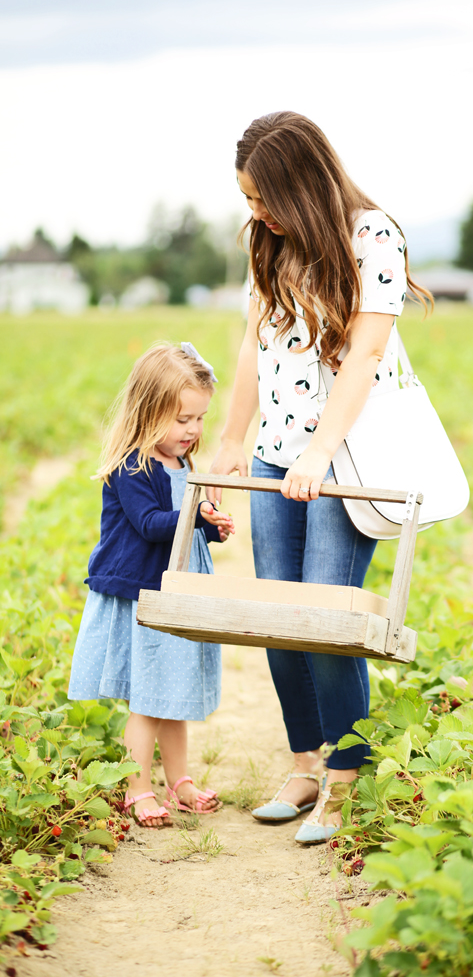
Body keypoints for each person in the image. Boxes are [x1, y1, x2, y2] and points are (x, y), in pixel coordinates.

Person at [209, 112, 431, 844]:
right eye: (247, 201)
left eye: (262, 198)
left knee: (327, 622)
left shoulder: (373, 237)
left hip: (347, 461)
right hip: (277, 453)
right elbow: (253, 345)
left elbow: (365, 357)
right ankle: (304, 762)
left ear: (299, 185)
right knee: (281, 617)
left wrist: (317, 454)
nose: (257, 213)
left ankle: (346, 778)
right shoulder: (269, 245)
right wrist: (235, 440)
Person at [68, 342, 235, 827]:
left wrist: (209, 526)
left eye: (200, 419)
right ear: (148, 411)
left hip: (177, 591)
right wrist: (193, 515)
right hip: (143, 593)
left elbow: (181, 523)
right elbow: (149, 524)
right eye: (182, 419)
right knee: (147, 697)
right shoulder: (133, 465)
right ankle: (137, 787)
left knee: (174, 691)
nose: (193, 430)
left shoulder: (184, 464)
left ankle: (178, 781)